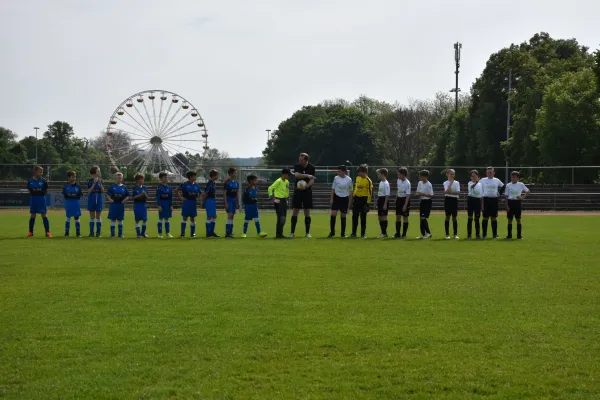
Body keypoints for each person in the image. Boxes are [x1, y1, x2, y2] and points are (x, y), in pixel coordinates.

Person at [290, 153, 316, 238]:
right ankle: (292, 232)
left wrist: (306, 186)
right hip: (298, 191)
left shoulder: (312, 167)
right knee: (295, 210)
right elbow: (297, 175)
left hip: (307, 192)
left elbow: (312, 180)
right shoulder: (297, 166)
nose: (300, 161)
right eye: (299, 160)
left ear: (306, 160)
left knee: (307, 211)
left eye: (301, 160)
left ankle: (307, 233)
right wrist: (307, 175)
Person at [328, 165, 353, 238]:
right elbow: (333, 189)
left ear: (344, 171)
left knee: (343, 215)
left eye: (339, 171)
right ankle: (332, 232)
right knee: (333, 214)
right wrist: (331, 198)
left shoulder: (349, 179)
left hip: (344, 198)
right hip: (336, 198)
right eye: (338, 171)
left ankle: (343, 234)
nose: (338, 172)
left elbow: (351, 190)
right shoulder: (336, 178)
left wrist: (350, 202)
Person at [480, 166, 504, 239]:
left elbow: (503, 186)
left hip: (494, 200)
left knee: (494, 217)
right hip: (486, 200)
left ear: (494, 173)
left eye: (491, 172)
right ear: (486, 173)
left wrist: (499, 193)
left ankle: (495, 234)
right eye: (488, 172)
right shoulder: (482, 180)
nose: (489, 173)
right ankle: (484, 235)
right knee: (485, 217)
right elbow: (477, 186)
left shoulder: (497, 180)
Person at [27, 165, 51, 238]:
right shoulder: (30, 181)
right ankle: (30, 232)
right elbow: (30, 191)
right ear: (35, 172)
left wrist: (37, 191)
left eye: (42, 172)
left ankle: (47, 232)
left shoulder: (44, 181)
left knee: (44, 215)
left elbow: (46, 191)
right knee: (33, 215)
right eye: (40, 172)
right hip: (33, 199)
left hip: (41, 199)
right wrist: (37, 191)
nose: (41, 173)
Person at [505, 171, 530, 240]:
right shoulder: (508, 185)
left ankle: (519, 236)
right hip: (510, 202)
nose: (513, 178)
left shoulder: (521, 184)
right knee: (510, 219)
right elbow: (506, 196)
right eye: (512, 177)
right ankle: (509, 235)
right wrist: (506, 205)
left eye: (514, 177)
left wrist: (522, 198)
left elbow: (528, 191)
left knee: (518, 219)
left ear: (518, 178)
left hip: (517, 203)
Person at [350, 164, 373, 239]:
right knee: (355, 217)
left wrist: (368, 204)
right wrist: (353, 198)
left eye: (359, 172)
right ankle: (353, 233)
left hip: (364, 199)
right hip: (357, 199)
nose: (358, 174)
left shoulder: (368, 181)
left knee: (363, 217)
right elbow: (355, 188)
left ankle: (363, 234)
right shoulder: (357, 178)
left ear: (364, 172)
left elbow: (370, 193)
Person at [177, 170, 202, 238]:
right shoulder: (185, 184)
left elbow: (200, 192)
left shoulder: (196, 185)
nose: (195, 177)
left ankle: (192, 234)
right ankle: (182, 234)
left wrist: (199, 198)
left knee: (192, 218)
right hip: (186, 202)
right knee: (185, 218)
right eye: (194, 176)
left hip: (193, 203)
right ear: (190, 177)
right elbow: (176, 190)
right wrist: (181, 198)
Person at [268, 168, 290, 238]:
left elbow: (287, 191)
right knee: (281, 218)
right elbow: (270, 188)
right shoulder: (278, 181)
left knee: (283, 218)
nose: (289, 176)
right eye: (288, 174)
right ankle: (279, 234)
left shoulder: (287, 182)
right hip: (278, 200)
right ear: (284, 174)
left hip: (284, 200)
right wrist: (272, 197)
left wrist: (287, 198)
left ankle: (280, 234)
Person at [107, 172, 129, 238]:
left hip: (120, 205)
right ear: (115, 178)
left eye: (120, 178)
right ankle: (112, 234)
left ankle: (120, 234)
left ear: (122, 179)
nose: (119, 179)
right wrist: (110, 200)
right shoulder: (112, 187)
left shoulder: (124, 187)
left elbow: (128, 196)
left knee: (120, 219)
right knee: (113, 219)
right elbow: (108, 195)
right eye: (118, 178)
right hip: (114, 205)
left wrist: (125, 200)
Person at [62, 170, 82, 237]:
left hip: (76, 203)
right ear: (69, 177)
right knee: (68, 217)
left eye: (75, 177)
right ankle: (67, 233)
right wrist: (73, 195)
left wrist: (71, 195)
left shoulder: (78, 186)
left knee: (77, 217)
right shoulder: (65, 186)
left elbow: (79, 195)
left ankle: (78, 233)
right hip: (68, 203)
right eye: (73, 177)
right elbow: (65, 195)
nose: (74, 178)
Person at [87, 166, 105, 237]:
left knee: (98, 216)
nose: (99, 172)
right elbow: (89, 191)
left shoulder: (101, 180)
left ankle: (98, 232)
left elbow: (103, 191)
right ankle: (91, 232)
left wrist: (100, 184)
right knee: (92, 216)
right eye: (98, 171)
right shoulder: (90, 181)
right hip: (92, 198)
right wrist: (94, 184)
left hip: (99, 198)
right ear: (94, 172)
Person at [415, 170, 433, 239]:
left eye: (421, 176)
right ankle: (423, 234)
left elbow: (431, 195)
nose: (419, 177)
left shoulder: (429, 184)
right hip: (422, 201)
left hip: (427, 202)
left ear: (424, 176)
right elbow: (417, 191)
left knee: (423, 217)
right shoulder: (420, 183)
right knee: (421, 218)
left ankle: (428, 233)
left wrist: (422, 194)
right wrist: (417, 194)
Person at [443, 168, 460, 240]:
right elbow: (446, 191)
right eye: (451, 174)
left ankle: (455, 234)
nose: (452, 175)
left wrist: (450, 193)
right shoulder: (445, 183)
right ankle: (447, 234)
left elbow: (458, 192)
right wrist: (450, 183)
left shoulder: (457, 183)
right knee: (447, 216)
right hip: (447, 200)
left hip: (454, 200)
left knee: (454, 217)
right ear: (447, 174)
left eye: (453, 174)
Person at [394, 167, 411, 239]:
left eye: (399, 174)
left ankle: (404, 234)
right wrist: (396, 198)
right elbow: (398, 190)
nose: (398, 176)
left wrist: (405, 205)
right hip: (399, 200)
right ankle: (397, 233)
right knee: (398, 216)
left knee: (405, 217)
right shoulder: (398, 180)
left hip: (405, 200)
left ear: (404, 174)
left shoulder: (407, 183)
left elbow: (408, 195)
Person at [202, 169, 220, 238]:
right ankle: (208, 233)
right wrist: (204, 200)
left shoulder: (213, 182)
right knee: (209, 216)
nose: (218, 176)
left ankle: (211, 232)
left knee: (214, 216)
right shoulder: (209, 182)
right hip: (209, 200)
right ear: (213, 176)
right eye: (217, 175)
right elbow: (206, 192)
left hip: (212, 200)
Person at [156, 172, 174, 238]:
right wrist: (159, 205)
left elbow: (171, 197)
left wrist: (171, 205)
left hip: (168, 204)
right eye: (164, 177)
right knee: (161, 218)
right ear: (160, 179)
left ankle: (167, 233)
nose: (166, 178)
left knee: (167, 218)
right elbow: (158, 197)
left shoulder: (169, 188)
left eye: (166, 177)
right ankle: (159, 233)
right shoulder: (159, 188)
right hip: (162, 203)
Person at [224, 167, 240, 238]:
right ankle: (227, 233)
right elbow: (224, 193)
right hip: (229, 199)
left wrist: (238, 202)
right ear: (230, 174)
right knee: (230, 215)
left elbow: (237, 193)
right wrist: (226, 203)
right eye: (234, 172)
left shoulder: (236, 182)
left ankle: (230, 232)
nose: (235, 174)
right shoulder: (227, 182)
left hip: (234, 200)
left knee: (232, 216)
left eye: (236, 172)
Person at [466, 170, 482, 239]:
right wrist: (476, 182)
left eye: (475, 176)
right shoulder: (470, 183)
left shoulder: (481, 184)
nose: (473, 177)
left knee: (477, 218)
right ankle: (469, 235)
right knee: (470, 218)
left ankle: (477, 235)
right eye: (472, 176)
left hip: (478, 201)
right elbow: (472, 187)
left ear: (478, 176)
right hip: (471, 200)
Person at [132, 173, 148, 238]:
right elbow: (133, 197)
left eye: (143, 179)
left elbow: (147, 197)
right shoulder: (135, 188)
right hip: (137, 205)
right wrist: (140, 195)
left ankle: (143, 233)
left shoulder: (144, 188)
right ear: (138, 180)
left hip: (143, 205)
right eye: (141, 179)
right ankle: (138, 234)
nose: (143, 181)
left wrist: (145, 195)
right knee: (137, 220)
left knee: (145, 219)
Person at [376, 168, 390, 238]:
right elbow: (380, 193)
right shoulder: (381, 182)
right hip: (380, 200)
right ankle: (383, 232)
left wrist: (385, 204)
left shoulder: (386, 183)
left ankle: (384, 233)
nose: (378, 176)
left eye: (379, 174)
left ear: (383, 174)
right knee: (379, 217)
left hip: (384, 200)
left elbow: (387, 195)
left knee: (384, 216)